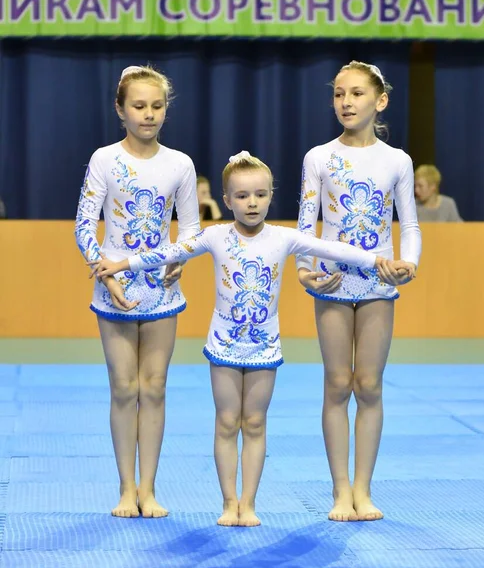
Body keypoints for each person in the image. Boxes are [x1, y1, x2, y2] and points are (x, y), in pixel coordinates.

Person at [88, 151, 411, 527]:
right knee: (227, 422)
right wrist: (123, 264)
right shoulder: (214, 237)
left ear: (272, 195)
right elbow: (168, 251)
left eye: (260, 194)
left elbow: (335, 249)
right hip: (223, 344)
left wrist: (382, 263)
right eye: (241, 196)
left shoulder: (285, 238)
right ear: (227, 200)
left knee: (255, 423)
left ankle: (249, 503)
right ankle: (229, 502)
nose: (252, 203)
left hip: (264, 346)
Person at [296, 61, 421, 522]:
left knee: (368, 385)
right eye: (338, 95)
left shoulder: (397, 160)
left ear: (380, 101)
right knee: (336, 383)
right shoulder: (319, 157)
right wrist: (306, 271)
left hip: (377, 282)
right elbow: (306, 224)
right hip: (331, 280)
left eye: (356, 94)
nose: (346, 102)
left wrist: (408, 264)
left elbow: (407, 223)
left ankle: (364, 490)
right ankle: (339, 490)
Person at [75, 65, 200, 518]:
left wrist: (179, 259)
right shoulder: (104, 160)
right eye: (139, 106)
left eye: (157, 106)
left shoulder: (180, 164)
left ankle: (149, 488)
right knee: (124, 388)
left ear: (166, 109)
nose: (148, 115)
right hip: (114, 286)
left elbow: (189, 228)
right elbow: (84, 225)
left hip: (161, 289)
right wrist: (105, 274)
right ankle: (126, 488)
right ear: (121, 109)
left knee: (156, 387)